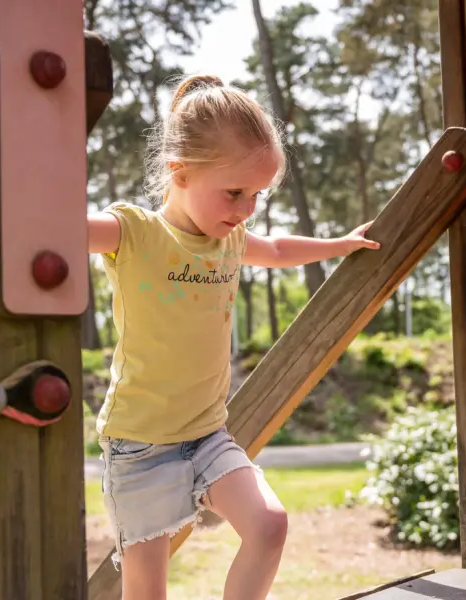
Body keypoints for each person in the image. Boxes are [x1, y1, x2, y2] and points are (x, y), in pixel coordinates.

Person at [87, 73, 380, 600]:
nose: (246, 209)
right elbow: (58, 227)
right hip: (139, 446)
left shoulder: (232, 240)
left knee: (269, 526)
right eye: (235, 192)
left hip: (207, 436)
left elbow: (278, 250)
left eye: (257, 195)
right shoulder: (136, 234)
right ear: (179, 172)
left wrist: (339, 244)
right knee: (146, 588)